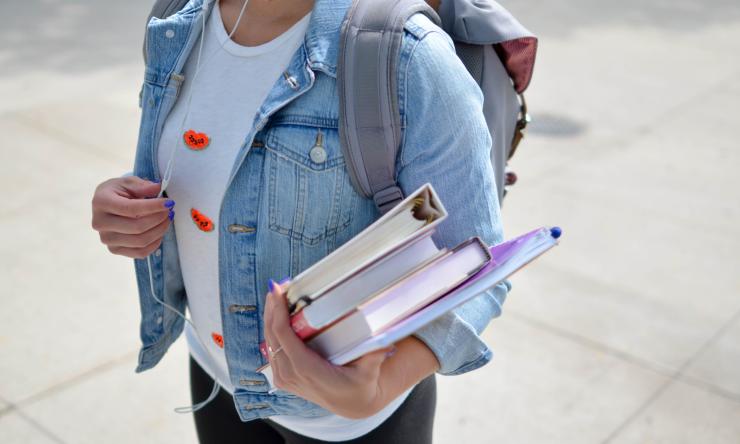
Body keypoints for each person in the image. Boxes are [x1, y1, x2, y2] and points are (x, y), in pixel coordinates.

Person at [90, 0, 508, 442]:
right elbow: (200, 162)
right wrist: (127, 204)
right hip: (216, 380)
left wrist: (378, 388)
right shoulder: (177, 20)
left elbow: (476, 261)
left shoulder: (407, 56)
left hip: (351, 424)